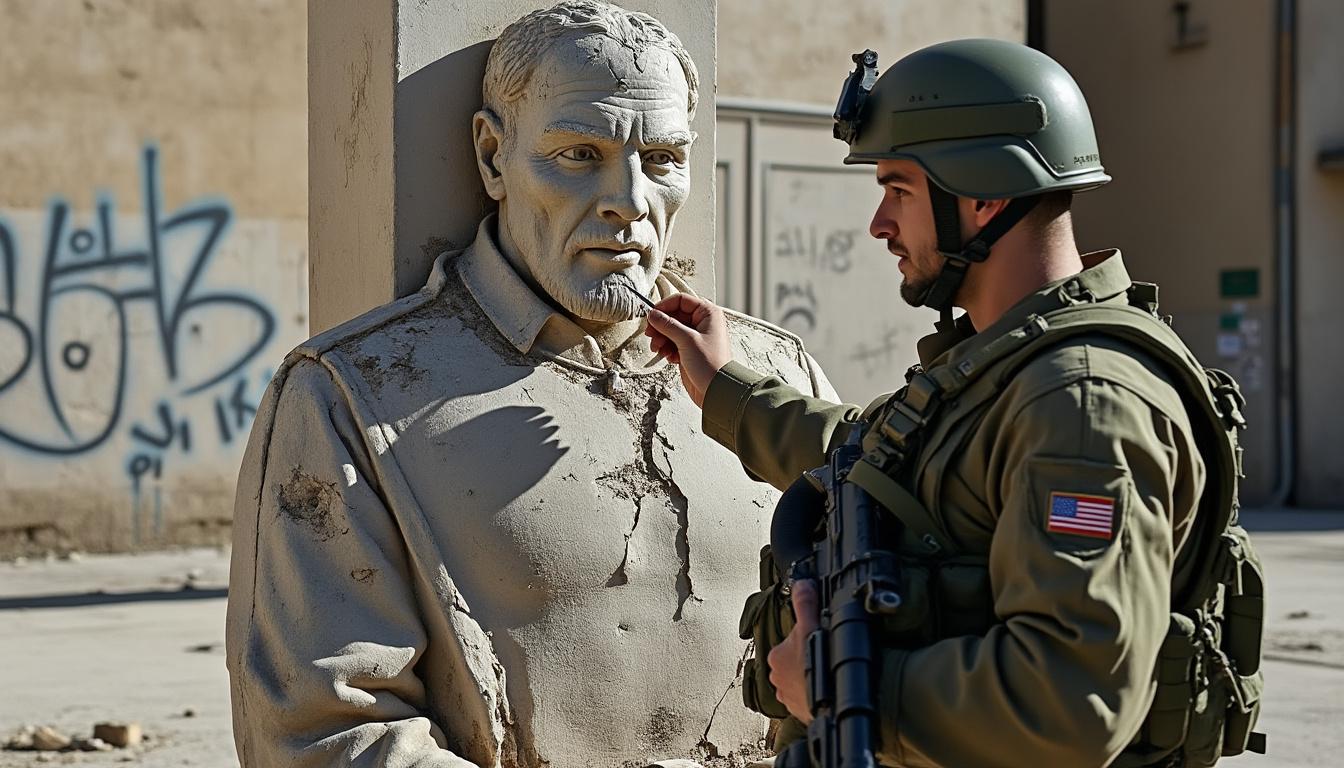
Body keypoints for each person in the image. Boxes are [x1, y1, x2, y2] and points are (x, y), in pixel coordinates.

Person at [225, 2, 835, 766]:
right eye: (580, 153)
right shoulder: (351, 392)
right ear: (492, 156)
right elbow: (326, 733)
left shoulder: (776, 375)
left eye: (663, 158)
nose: (631, 201)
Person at [646, 39, 1263, 767]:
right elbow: (875, 458)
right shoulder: (1003, 362)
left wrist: (849, 689)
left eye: (899, 190)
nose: (880, 224)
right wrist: (725, 387)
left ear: (986, 196)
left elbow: (1071, 701)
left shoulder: (1084, 403)